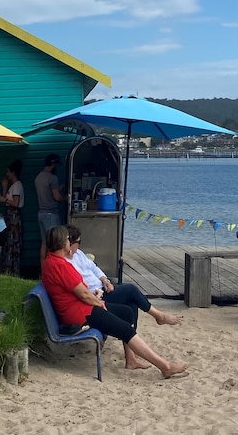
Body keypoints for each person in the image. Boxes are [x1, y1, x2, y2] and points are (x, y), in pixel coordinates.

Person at [41, 225, 188, 378]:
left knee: (127, 313)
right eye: (67, 239)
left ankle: (131, 359)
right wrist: (99, 303)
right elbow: (84, 294)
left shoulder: (54, 261)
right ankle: (165, 366)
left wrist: (97, 296)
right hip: (80, 313)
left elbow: (81, 291)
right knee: (125, 329)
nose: (69, 242)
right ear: (62, 242)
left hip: (82, 307)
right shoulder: (59, 265)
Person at [64, 224, 183, 326]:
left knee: (131, 302)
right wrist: (96, 293)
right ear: (69, 244)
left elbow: (94, 268)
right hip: (96, 297)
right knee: (131, 290)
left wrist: (106, 281)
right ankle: (159, 316)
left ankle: (129, 350)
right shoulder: (65, 264)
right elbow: (80, 289)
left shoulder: (78, 254)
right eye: (78, 242)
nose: (79, 245)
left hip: (103, 288)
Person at [35, 153, 67, 266]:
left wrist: (58, 188)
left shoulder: (38, 177)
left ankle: (44, 270)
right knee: (54, 243)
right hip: (51, 214)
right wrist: (67, 198)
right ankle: (53, 269)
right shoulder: (53, 178)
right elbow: (57, 197)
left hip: (41, 213)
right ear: (52, 164)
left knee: (44, 242)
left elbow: (46, 193)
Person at [0, 160, 24, 276]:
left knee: (13, 242)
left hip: (14, 217)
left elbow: (16, 203)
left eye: (8, 172)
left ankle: (13, 270)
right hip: (9, 216)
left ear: (13, 173)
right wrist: (4, 187)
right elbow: (4, 200)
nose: (6, 174)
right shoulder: (12, 186)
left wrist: (5, 200)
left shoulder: (17, 186)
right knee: (9, 242)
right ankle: (7, 269)